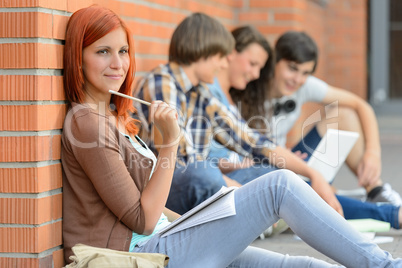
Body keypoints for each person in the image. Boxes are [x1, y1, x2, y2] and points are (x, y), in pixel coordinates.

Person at [61, 6, 402, 267]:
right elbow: (144, 219)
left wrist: (202, 221)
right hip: (142, 255)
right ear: (78, 59)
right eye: (102, 52)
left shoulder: (110, 116)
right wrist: (167, 144)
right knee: (278, 185)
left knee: (301, 263)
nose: (118, 63)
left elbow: (246, 140)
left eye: (123, 51)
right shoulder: (86, 123)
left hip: (168, 235)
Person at [135, 17, 343, 217]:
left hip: (202, 181)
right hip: (165, 191)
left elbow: (251, 140)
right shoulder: (162, 81)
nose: (224, 65)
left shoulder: (200, 94)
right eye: (221, 57)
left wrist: (313, 174)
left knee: (270, 174)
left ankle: (263, 213)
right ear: (202, 51)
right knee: (203, 173)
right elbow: (183, 160)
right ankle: (257, 215)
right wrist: (241, 191)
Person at [208, 26, 402, 230]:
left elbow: (361, 105)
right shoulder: (243, 84)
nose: (297, 79)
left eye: (305, 73)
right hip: (260, 168)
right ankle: (389, 213)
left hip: (282, 161)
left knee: (345, 115)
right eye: (292, 68)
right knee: (294, 187)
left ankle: (376, 190)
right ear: (275, 61)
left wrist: (373, 152)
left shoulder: (303, 85)